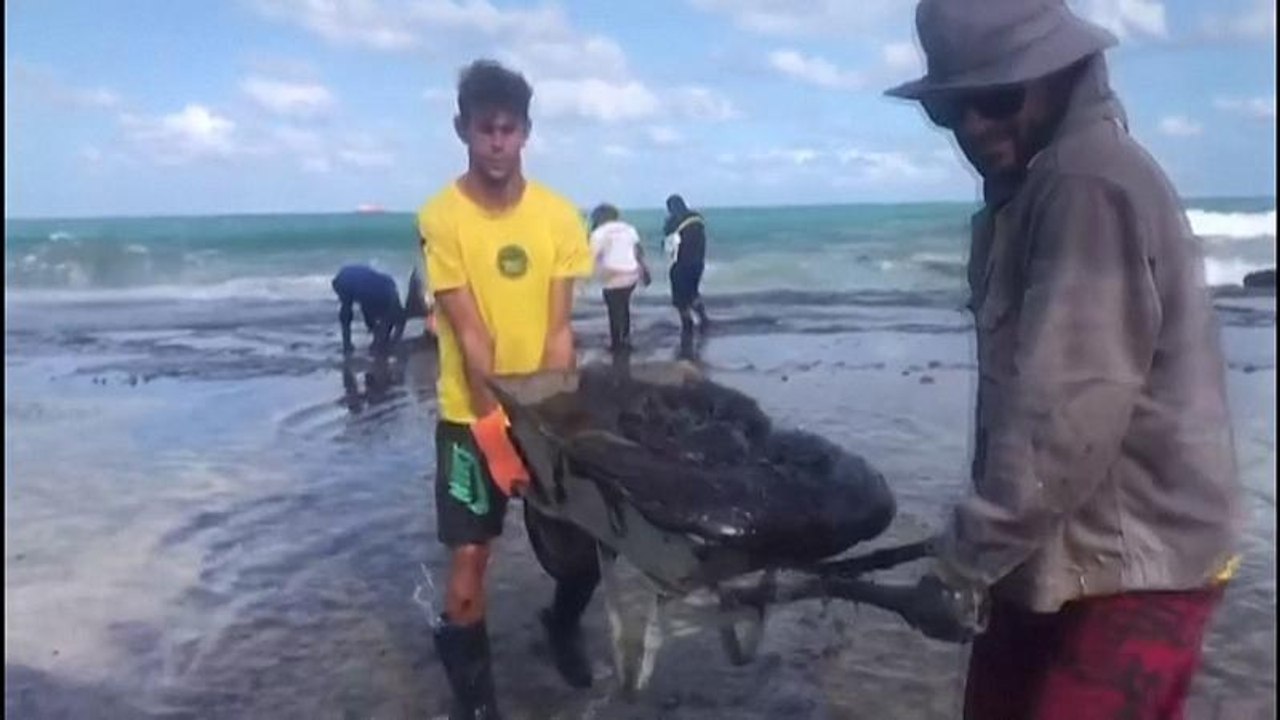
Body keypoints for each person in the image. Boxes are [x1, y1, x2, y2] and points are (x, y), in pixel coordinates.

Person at [884, 1, 1243, 718]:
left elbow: (1065, 412)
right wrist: (984, 553)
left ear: (1061, 74)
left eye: (996, 99)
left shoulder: (1086, 185)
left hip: (1135, 565)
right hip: (1055, 549)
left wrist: (964, 561)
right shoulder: (1034, 187)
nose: (975, 129)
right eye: (950, 112)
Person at [417, 59, 598, 719]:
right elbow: (470, 338)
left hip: (543, 412)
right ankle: (478, 705)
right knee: (469, 561)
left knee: (582, 553)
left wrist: (552, 422)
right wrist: (495, 435)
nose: (497, 141)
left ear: (526, 132)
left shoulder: (556, 217)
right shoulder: (441, 218)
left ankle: (561, 623)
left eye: (509, 129)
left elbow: (558, 333)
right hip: (471, 417)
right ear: (462, 129)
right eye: (484, 129)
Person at [588, 203, 650, 353]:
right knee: (623, 305)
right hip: (631, 273)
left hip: (612, 275)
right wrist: (645, 270)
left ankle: (617, 343)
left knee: (614, 309)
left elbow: (592, 256)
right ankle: (625, 338)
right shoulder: (629, 229)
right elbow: (638, 251)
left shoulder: (599, 233)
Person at [331, 264, 407, 355]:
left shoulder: (377, 289)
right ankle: (384, 340)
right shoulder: (348, 282)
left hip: (373, 287)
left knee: (387, 319)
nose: (340, 298)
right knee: (383, 320)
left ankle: (386, 340)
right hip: (368, 284)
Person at [661, 194, 710, 335]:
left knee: (679, 297)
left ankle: (687, 323)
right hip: (698, 263)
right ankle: (703, 318)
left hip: (681, 263)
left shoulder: (672, 221)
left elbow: (669, 244)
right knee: (693, 292)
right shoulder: (697, 218)